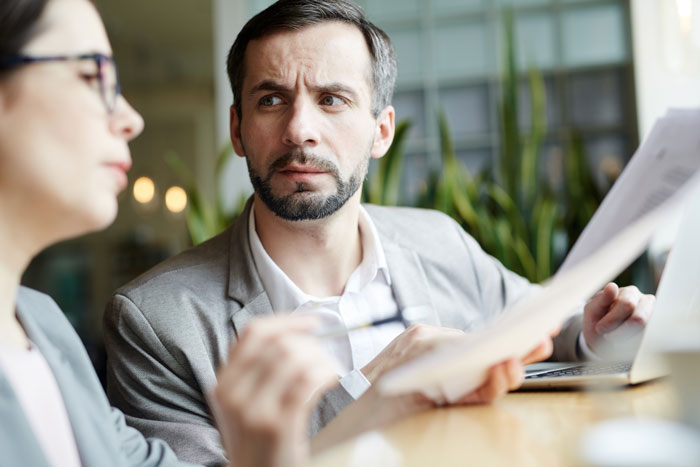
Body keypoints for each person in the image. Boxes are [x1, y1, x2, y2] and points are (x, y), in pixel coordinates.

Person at [103, 0, 656, 464]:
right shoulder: (156, 322)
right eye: (271, 99)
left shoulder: (439, 239)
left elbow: (542, 323)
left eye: (332, 100)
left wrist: (593, 334)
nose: (300, 129)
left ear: (381, 132)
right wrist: (374, 385)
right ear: (238, 129)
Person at [0, 0, 338, 466]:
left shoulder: (44, 325)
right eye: (91, 75)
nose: (131, 119)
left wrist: (391, 396)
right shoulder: (151, 318)